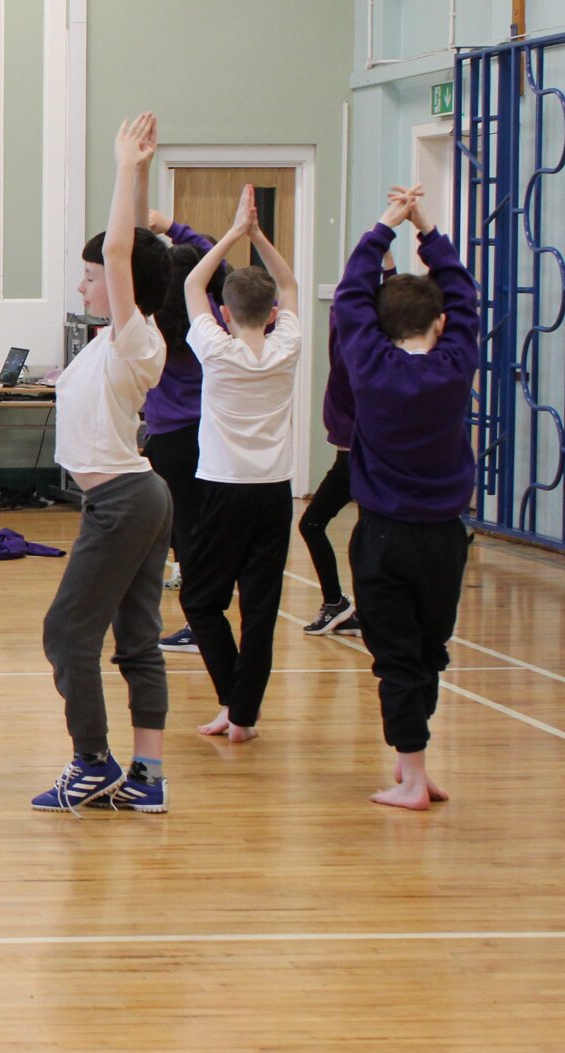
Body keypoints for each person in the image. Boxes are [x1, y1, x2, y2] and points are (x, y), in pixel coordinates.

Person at [31, 113, 173, 815]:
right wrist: (141, 169)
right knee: (136, 637)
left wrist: (121, 166)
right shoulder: (109, 343)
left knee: (66, 633)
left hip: (123, 500)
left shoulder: (136, 338)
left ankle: (92, 760)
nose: (85, 286)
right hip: (132, 496)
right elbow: (134, 244)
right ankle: (147, 775)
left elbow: (124, 252)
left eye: (91, 277)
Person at [334, 183, 478, 810]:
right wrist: (427, 229)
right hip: (445, 537)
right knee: (428, 650)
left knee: (395, 658)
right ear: (440, 323)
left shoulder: (369, 364)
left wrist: (385, 225)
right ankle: (411, 765)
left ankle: (413, 777)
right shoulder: (455, 364)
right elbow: (466, 298)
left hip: (386, 536)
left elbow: (348, 299)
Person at [178, 186, 304, 744]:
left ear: (226, 314)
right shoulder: (287, 345)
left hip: (224, 490)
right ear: (273, 314)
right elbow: (294, 284)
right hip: (274, 492)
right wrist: (259, 237)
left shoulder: (217, 347)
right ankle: (242, 714)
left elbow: (191, 284)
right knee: (259, 606)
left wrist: (233, 233)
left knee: (200, 600)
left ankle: (234, 700)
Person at [141, 208, 227, 652]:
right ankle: (204, 614)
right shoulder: (209, 319)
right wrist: (174, 226)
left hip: (169, 438)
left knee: (184, 536)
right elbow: (219, 261)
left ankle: (199, 621)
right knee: (201, 531)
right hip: (206, 436)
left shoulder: (153, 319)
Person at [298, 253, 393, 638]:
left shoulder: (351, 356)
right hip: (366, 455)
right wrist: (387, 269)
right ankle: (360, 609)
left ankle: (342, 604)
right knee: (366, 532)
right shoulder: (386, 347)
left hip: (356, 458)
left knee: (314, 524)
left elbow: (348, 305)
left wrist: (377, 268)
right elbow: (395, 307)